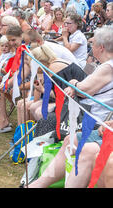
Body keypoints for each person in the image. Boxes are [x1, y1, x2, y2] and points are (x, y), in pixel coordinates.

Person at [29, 26, 113, 188]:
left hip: (95, 119)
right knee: (70, 140)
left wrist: (74, 83)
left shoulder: (108, 67)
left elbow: (83, 91)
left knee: (71, 141)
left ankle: (38, 183)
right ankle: (38, 183)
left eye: (93, 43)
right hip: (95, 118)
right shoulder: (106, 66)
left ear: (101, 47)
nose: (91, 47)